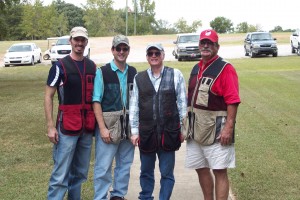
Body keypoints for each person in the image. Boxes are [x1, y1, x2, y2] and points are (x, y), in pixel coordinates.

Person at [184, 29, 240, 200]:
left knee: (219, 170)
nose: (206, 46)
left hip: (217, 129)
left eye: (210, 43)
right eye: (203, 42)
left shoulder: (226, 68)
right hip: (195, 130)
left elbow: (233, 100)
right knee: (200, 167)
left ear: (217, 46)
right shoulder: (196, 67)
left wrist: (228, 128)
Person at [44, 26, 96, 200]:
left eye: (82, 40)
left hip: (86, 128)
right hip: (66, 126)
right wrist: (51, 126)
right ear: (70, 41)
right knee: (60, 175)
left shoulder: (92, 66)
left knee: (80, 173)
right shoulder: (60, 66)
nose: (79, 43)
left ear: (86, 42)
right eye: (76, 40)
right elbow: (48, 96)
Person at [130, 43, 187, 200]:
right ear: (147, 57)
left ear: (163, 55)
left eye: (157, 53)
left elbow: (182, 104)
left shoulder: (175, 74)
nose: (153, 56)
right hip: (147, 133)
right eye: (150, 53)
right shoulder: (139, 78)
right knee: (146, 172)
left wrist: (183, 129)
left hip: (169, 132)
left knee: (167, 173)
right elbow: (134, 106)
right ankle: (146, 197)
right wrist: (134, 132)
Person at [92, 35, 137, 200]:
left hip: (128, 127)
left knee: (124, 165)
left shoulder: (133, 72)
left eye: (125, 49)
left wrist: (135, 128)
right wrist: (102, 128)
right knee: (103, 167)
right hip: (109, 127)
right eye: (118, 48)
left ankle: (118, 195)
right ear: (113, 50)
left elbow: (136, 101)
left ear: (128, 51)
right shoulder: (102, 72)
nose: (121, 52)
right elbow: (96, 101)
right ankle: (101, 197)